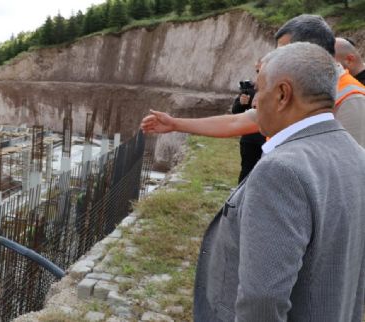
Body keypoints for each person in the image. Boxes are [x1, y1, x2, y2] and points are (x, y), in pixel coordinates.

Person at [194, 42, 365, 321]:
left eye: (261, 89)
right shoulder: (357, 156)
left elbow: (262, 302)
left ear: (283, 94)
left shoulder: (281, 171)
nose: (256, 100)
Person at [140, 15, 365, 146]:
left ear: (311, 51)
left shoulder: (351, 99)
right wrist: (175, 124)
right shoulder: (299, 89)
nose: (277, 59)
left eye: (284, 52)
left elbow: (352, 177)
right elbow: (236, 122)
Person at [232, 78, 265, 183]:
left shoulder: (275, 90)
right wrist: (242, 103)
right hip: (249, 139)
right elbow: (235, 111)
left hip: (267, 139)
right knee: (246, 170)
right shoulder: (250, 91)